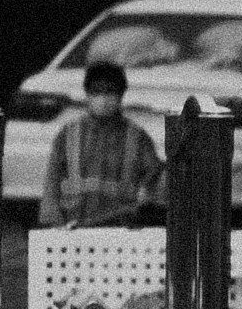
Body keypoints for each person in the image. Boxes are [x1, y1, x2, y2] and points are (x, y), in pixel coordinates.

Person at [40, 55, 163, 227]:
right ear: (87, 95)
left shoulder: (137, 137)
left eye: (110, 92)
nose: (103, 99)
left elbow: (154, 178)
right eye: (96, 92)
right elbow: (52, 181)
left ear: (121, 95)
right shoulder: (68, 134)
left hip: (120, 231)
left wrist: (144, 206)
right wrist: (52, 220)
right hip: (74, 226)